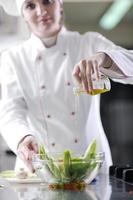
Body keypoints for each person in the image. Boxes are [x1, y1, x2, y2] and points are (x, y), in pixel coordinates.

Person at [0, 0, 133, 174]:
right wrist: (23, 138)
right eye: (30, 6)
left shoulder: (88, 43)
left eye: (47, 1)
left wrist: (104, 58)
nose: (41, 11)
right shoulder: (13, 58)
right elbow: (10, 111)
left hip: (90, 167)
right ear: (23, 15)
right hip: (40, 169)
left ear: (60, 4)